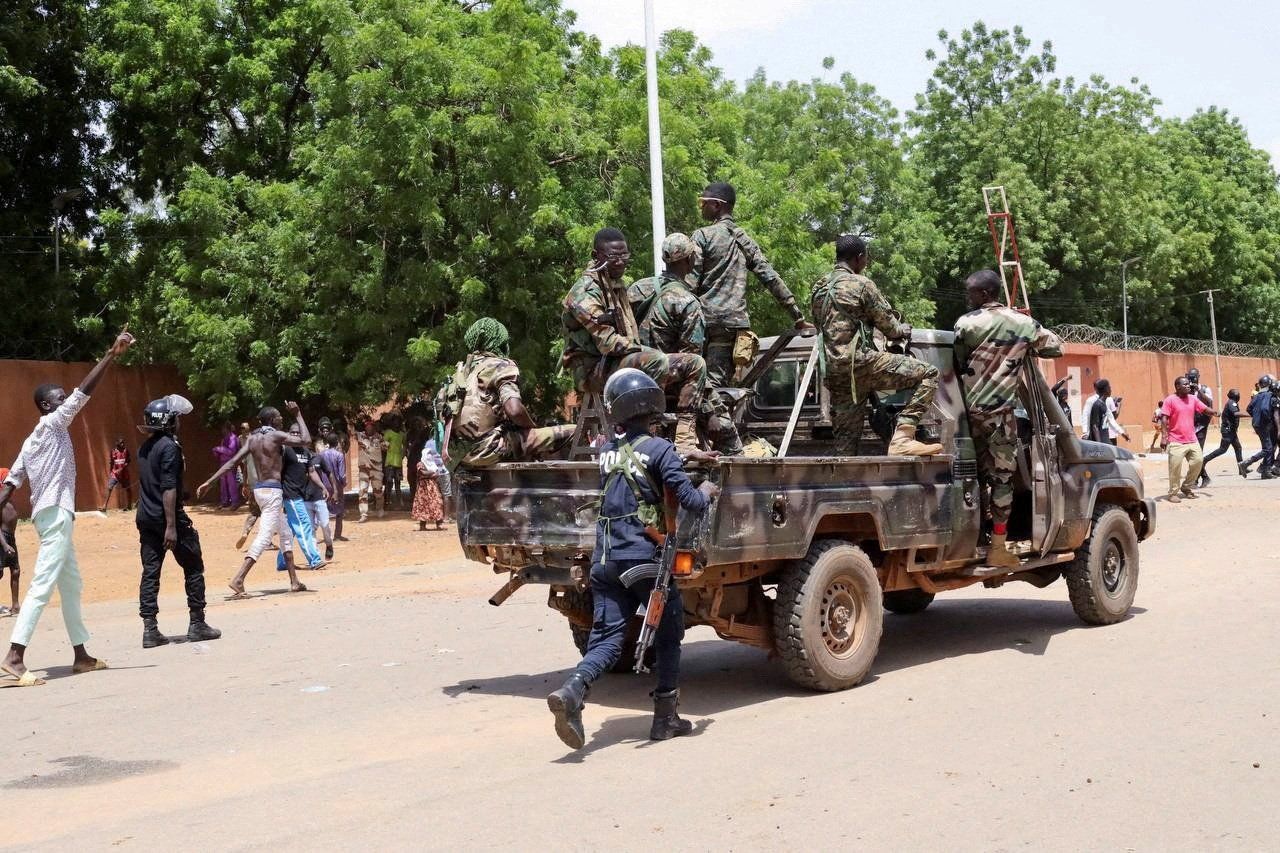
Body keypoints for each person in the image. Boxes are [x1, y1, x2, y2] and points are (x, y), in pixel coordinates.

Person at [545, 369, 716, 750]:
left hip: (605, 560)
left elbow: (641, 454)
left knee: (606, 638)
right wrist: (707, 488)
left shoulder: (606, 450)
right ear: (651, 404)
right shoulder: (660, 450)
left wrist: (683, 454)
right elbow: (690, 501)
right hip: (644, 559)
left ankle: (573, 690)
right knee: (670, 633)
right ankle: (665, 718)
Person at [0, 328, 135, 686]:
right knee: (42, 585)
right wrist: (110, 355)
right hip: (56, 514)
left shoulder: (32, 441)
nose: (66, 401)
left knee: (70, 584)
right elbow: (82, 394)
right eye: (59, 398)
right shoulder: (51, 423)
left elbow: (11, 482)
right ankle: (14, 657)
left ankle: (81, 656)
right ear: (46, 405)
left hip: (50, 516)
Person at [561, 228, 709, 453]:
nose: (620, 262)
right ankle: (650, 435)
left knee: (694, 363)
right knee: (655, 360)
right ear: (596, 256)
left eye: (624, 256)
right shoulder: (584, 292)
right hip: (593, 370)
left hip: (616, 364)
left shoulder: (615, 285)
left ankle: (685, 441)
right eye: (613, 257)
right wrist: (645, 350)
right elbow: (609, 343)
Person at [953, 270, 1063, 568]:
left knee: (971, 477)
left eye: (972, 293)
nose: (968, 298)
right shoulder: (1022, 323)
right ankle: (999, 545)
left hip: (966, 414)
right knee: (1002, 479)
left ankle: (974, 537)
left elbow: (958, 358)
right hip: (1000, 416)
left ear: (985, 294)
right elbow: (1055, 347)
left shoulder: (966, 323)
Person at [811, 235, 942, 456]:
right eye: (866, 258)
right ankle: (903, 437)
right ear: (859, 258)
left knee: (845, 447)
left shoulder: (819, 288)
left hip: (836, 373)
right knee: (929, 373)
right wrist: (903, 330)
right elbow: (890, 327)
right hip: (862, 365)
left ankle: (844, 486)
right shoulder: (862, 284)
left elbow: (820, 326)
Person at [629, 233, 744, 454]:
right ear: (689, 261)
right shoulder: (688, 303)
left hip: (633, 374)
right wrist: (710, 412)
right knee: (727, 434)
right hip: (670, 380)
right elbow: (692, 363)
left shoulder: (637, 289)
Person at [691, 182, 814, 386]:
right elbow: (771, 277)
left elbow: (689, 282)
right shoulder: (744, 239)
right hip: (733, 325)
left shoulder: (702, 236)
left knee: (700, 385)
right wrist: (797, 316)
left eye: (703, 202)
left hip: (704, 322)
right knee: (719, 384)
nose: (701, 207)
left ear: (717, 205)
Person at [196, 403, 312, 598]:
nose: (281, 419)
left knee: (284, 532)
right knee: (265, 536)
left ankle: (294, 581)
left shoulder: (252, 439)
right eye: (278, 417)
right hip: (273, 491)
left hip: (260, 491)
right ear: (272, 420)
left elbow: (233, 462)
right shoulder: (276, 436)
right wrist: (298, 414)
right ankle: (238, 579)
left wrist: (210, 481)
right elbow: (306, 440)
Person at [135, 395, 222, 648]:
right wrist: (172, 527)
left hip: (146, 517)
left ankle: (150, 630)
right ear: (169, 421)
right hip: (167, 519)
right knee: (194, 566)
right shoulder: (170, 447)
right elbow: (169, 488)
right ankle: (197, 624)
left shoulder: (145, 447)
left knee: (150, 572)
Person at [446, 317, 574, 466]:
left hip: (457, 456)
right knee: (575, 431)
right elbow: (515, 410)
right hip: (487, 450)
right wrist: (532, 428)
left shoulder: (460, 373)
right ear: (500, 341)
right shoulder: (500, 365)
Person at [277, 424, 326, 571]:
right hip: (290, 495)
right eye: (293, 433)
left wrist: (322, 486)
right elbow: (277, 471)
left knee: (291, 529)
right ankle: (314, 559)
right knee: (304, 524)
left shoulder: (305, 451)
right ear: (288, 433)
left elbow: (311, 472)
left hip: (300, 495)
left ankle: (282, 562)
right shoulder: (285, 450)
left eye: (298, 433)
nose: (296, 435)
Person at [1160, 376, 1216, 501]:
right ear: (1177, 386)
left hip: (1192, 439)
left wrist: (1213, 412)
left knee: (1198, 461)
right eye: (1185, 384)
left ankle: (1186, 487)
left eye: (1188, 384)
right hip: (1176, 440)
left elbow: (1204, 409)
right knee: (1175, 467)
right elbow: (1164, 418)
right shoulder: (1170, 400)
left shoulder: (1193, 399)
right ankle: (1173, 493)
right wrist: (1164, 437)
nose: (1188, 386)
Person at [297, 432, 335, 562]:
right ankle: (316, 557)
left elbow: (329, 473)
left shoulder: (318, 458)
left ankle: (329, 544)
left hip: (319, 496)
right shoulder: (298, 460)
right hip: (305, 498)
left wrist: (333, 489)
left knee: (325, 524)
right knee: (310, 528)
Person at [1241, 376, 1276, 479]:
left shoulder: (1257, 395)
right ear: (1269, 384)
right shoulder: (1268, 395)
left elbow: (1249, 408)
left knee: (1268, 447)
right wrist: (1267, 419)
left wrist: (1256, 416)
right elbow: (1265, 409)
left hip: (1256, 424)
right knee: (1268, 448)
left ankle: (1265, 471)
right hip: (1264, 424)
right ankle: (1246, 463)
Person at [1203, 388, 1243, 474]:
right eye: (1236, 395)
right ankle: (1205, 460)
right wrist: (1249, 414)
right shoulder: (1231, 403)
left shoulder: (1232, 402)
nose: (1238, 396)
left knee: (1238, 447)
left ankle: (1242, 468)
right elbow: (1235, 414)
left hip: (1231, 430)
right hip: (1228, 431)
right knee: (1222, 449)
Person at [1186, 368, 1215, 486]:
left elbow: (1210, 403)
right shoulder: (1186, 388)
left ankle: (1195, 480)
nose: (1192, 379)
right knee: (1191, 454)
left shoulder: (1205, 389)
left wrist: (1199, 391)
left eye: (1194, 377)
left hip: (1201, 425)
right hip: (1189, 425)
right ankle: (1204, 477)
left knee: (1197, 453)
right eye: (1190, 377)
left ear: (1198, 376)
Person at [318, 431, 348, 543]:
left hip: (324, 485)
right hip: (337, 486)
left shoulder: (321, 455)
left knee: (324, 510)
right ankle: (337, 535)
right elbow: (341, 474)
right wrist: (344, 483)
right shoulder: (339, 455)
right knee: (339, 511)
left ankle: (326, 535)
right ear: (337, 442)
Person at [355, 419, 386, 522]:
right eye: (367, 427)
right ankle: (363, 513)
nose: (369, 428)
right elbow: (350, 430)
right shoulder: (360, 436)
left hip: (376, 469)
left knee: (378, 491)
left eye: (371, 427)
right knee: (362, 490)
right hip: (364, 468)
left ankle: (380, 509)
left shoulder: (379, 437)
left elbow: (386, 447)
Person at [412, 440, 446, 531]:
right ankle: (422, 525)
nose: (430, 456)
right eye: (428, 454)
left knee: (436, 503)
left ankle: (439, 524)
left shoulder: (433, 464)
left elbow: (437, 474)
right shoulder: (420, 464)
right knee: (423, 505)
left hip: (433, 488)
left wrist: (432, 474)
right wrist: (431, 473)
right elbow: (422, 472)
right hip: (423, 489)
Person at [1082, 379, 1128, 445]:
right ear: (1105, 389)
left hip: (1106, 436)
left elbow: (1111, 419)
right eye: (1109, 388)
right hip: (1097, 439)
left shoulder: (1105, 402)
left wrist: (1122, 433)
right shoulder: (1093, 402)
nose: (1111, 390)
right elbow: (1088, 418)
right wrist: (1085, 432)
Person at [211, 423, 241, 509]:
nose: (222, 430)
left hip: (230, 463)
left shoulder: (233, 438)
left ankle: (235, 502)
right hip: (223, 463)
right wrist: (216, 452)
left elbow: (231, 451)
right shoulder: (224, 439)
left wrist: (218, 449)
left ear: (227, 429)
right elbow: (221, 452)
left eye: (223, 428)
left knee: (232, 483)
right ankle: (224, 501)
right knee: (223, 484)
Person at [100, 436, 133, 512]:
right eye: (121, 443)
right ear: (117, 444)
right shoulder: (113, 452)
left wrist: (122, 468)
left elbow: (128, 461)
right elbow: (111, 462)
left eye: (123, 443)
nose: (123, 444)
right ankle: (104, 506)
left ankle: (129, 505)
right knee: (109, 488)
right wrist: (111, 472)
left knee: (128, 489)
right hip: (115, 474)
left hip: (124, 474)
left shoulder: (126, 451)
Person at [0, 484, 18, 617]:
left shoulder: (9, 500)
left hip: (11, 537)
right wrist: (5, 545)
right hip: (2, 539)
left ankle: (15, 605)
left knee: (15, 570)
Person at [382, 415, 405, 510]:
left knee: (398, 483)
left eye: (398, 422)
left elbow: (405, 445)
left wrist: (402, 455)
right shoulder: (388, 433)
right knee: (388, 482)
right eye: (394, 421)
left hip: (398, 462)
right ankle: (386, 502)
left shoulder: (402, 434)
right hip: (389, 462)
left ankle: (399, 502)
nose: (396, 423)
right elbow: (383, 446)